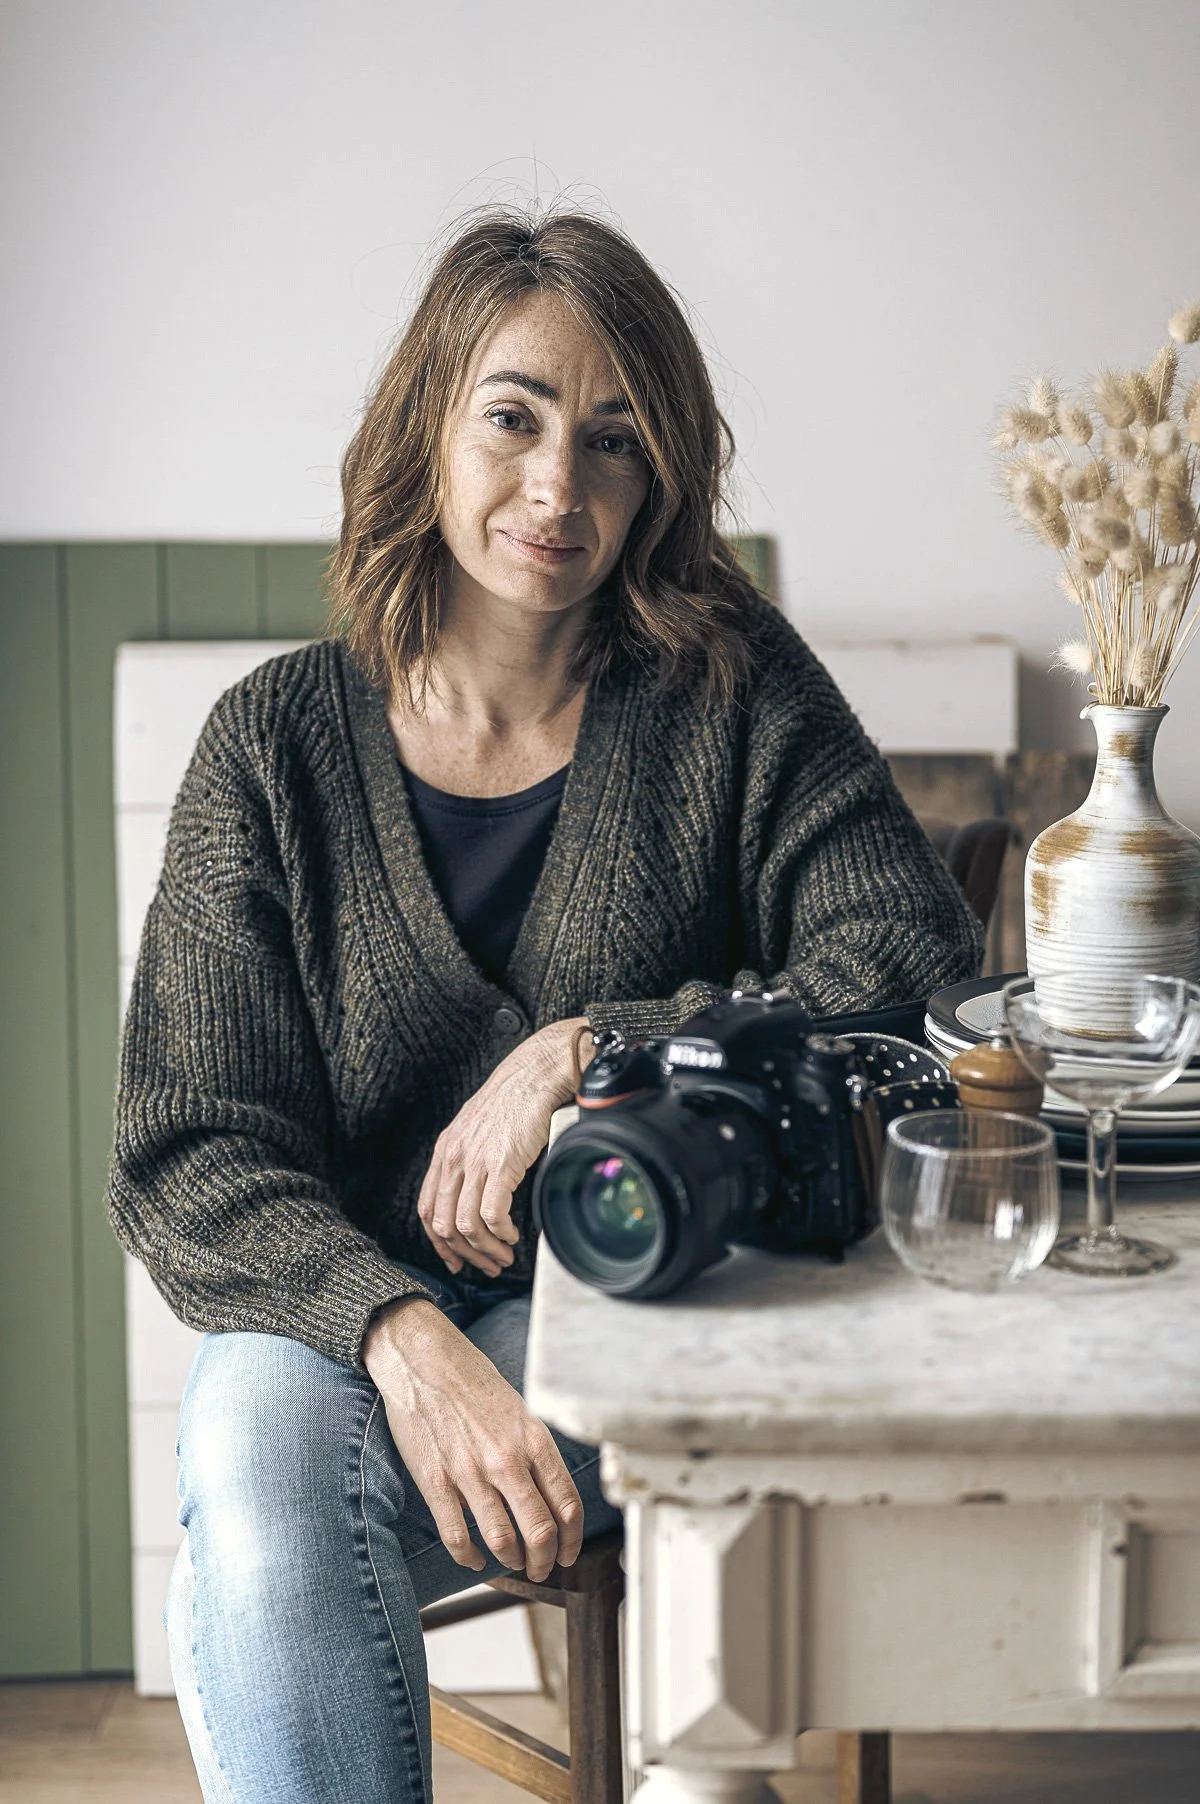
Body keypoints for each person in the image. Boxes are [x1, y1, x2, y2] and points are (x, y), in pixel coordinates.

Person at [107, 208, 983, 1804]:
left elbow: (911, 980)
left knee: (249, 1538)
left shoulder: (733, 691)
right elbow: (192, 1153)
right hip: (344, 1338)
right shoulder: (272, 748)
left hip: (646, 1308)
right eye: (513, 417)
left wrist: (592, 1046)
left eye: (616, 442)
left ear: (662, 482)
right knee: (256, 1451)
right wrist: (401, 1327)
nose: (556, 491)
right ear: (429, 421)